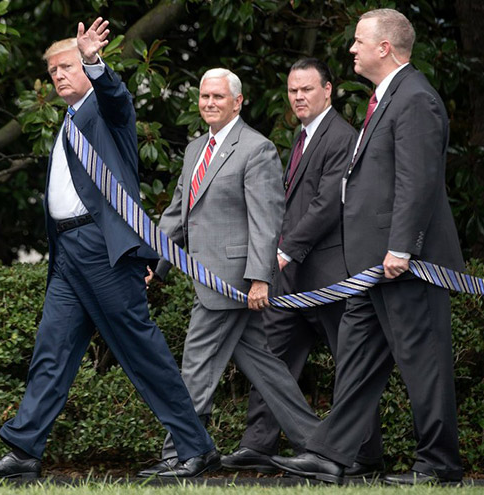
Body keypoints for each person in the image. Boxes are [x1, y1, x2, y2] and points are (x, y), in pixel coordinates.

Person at [0, 18, 218, 479]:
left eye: (66, 67)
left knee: (140, 351)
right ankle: (24, 453)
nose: (59, 76)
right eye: (53, 72)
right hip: (67, 253)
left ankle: (195, 447)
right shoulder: (65, 122)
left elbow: (118, 98)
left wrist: (92, 59)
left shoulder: (106, 113)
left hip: (103, 250)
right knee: (53, 349)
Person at [271, 8, 465, 485]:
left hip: (404, 264)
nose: (351, 49)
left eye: (359, 41)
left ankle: (439, 464)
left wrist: (401, 247)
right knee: (356, 360)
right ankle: (335, 455)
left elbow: (417, 182)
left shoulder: (416, 98)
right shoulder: (384, 98)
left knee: (424, 360)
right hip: (368, 267)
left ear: (385, 48)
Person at [137, 67, 321, 477]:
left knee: (196, 366)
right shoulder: (194, 149)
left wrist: (260, 277)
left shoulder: (256, 149)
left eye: (218, 97)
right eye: (204, 97)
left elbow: (267, 219)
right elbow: (176, 216)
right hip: (208, 278)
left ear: (238, 102)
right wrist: (154, 262)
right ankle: (322, 447)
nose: (209, 103)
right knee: (267, 369)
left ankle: (182, 453)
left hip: (232, 282)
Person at [221, 58, 383, 477]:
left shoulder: (343, 137)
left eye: (307, 89)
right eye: (293, 91)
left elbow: (328, 203)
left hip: (332, 276)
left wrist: (284, 249)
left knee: (351, 364)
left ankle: (364, 456)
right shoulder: (303, 137)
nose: (298, 97)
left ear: (327, 90)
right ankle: (258, 444)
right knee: (272, 358)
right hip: (292, 279)